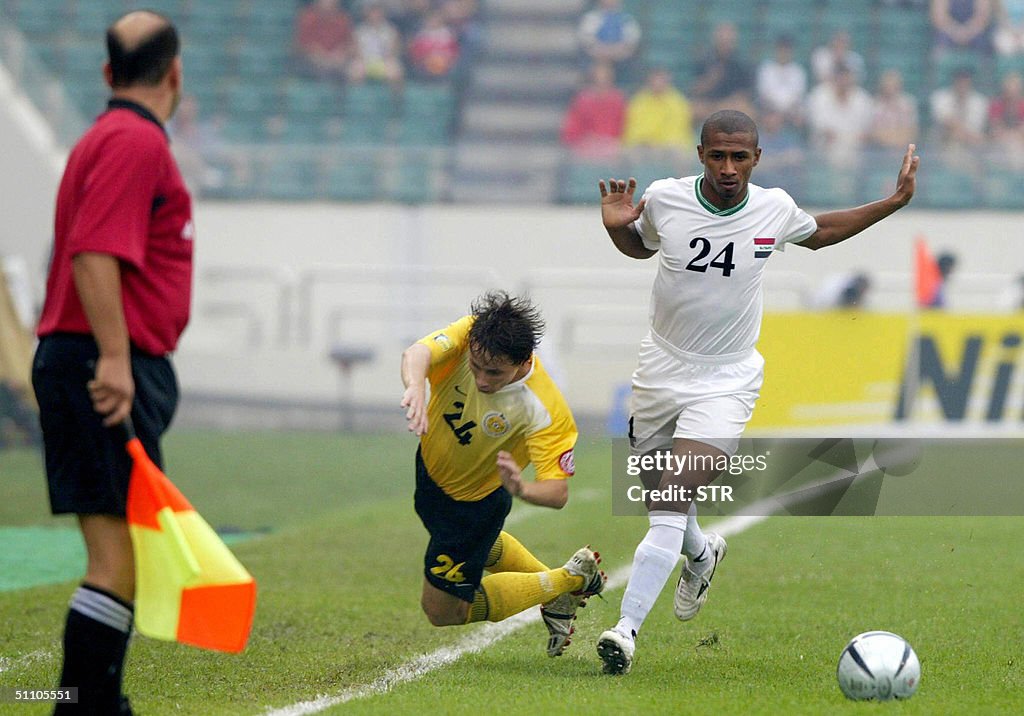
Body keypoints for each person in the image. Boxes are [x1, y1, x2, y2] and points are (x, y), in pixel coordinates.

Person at [594, 109, 919, 675]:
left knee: (670, 500)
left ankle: (625, 631)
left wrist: (891, 203)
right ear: (699, 155)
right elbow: (640, 248)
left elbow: (821, 233)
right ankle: (702, 553)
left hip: (727, 377)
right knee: (658, 496)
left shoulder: (773, 207)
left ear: (756, 159)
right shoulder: (667, 198)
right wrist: (617, 227)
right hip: (660, 368)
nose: (727, 167)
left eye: (739, 157)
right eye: (717, 155)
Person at [30, 10, 192, 713]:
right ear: (176, 73)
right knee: (115, 560)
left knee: (119, 555)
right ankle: (86, 705)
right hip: (102, 366)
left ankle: (95, 703)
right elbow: (94, 253)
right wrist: (118, 360)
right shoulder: (134, 141)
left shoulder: (101, 136)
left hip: (85, 359)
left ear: (107, 73)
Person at [400, 291, 605, 657]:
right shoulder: (471, 334)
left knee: (442, 612)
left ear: (524, 360)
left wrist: (521, 489)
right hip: (431, 475)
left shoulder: (543, 407)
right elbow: (417, 354)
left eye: (494, 372)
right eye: (475, 366)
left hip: (471, 506)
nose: (480, 379)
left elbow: (558, 494)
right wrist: (416, 385)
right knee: (484, 547)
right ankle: (565, 592)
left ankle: (569, 580)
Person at [560, 61, 627, 160]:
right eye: (598, 76)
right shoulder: (582, 100)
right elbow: (573, 127)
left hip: (613, 145)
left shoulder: (618, 99)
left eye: (605, 77)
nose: (601, 80)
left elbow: (624, 125)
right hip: (587, 145)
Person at [622, 68, 693, 157]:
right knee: (628, 152)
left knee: (676, 152)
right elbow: (633, 130)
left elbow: (677, 132)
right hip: (645, 145)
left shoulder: (678, 103)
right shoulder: (639, 101)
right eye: (655, 79)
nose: (657, 83)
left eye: (661, 79)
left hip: (670, 146)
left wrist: (659, 145)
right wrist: (648, 142)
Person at [293, 0, 358, 82]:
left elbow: (351, 44)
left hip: (338, 61)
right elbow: (299, 45)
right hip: (312, 62)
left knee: (356, 68)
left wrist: (341, 53)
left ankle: (349, 93)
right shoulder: (307, 17)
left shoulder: (343, 18)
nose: (328, 2)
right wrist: (317, 52)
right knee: (320, 65)